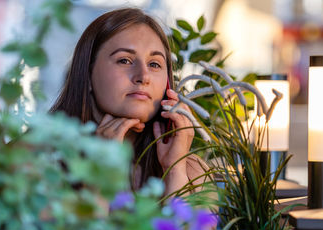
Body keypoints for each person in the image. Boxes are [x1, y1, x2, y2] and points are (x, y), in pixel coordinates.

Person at [50, 8, 206, 195]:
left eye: (154, 64)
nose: (143, 76)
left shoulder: (194, 172)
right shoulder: (33, 157)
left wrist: (175, 171)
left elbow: (185, 226)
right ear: (88, 74)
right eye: (124, 60)